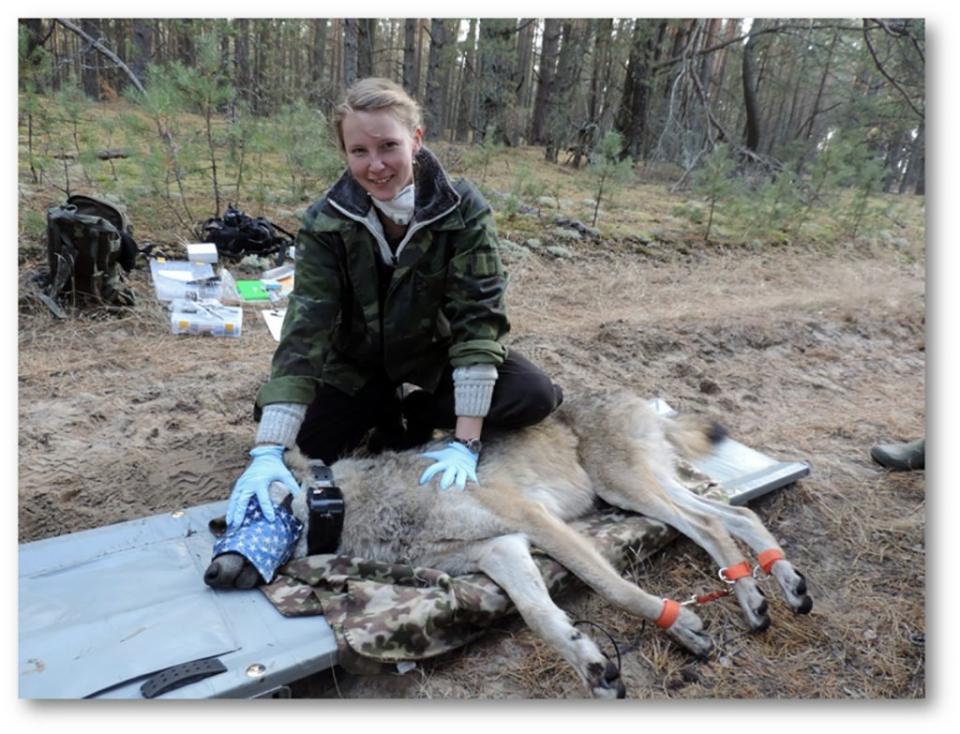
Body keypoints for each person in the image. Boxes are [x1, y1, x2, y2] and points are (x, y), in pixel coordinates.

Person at [225, 77, 563, 529]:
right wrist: (268, 449)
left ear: (416, 140)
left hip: (433, 357)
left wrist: (466, 442)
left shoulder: (461, 208)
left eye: (388, 146)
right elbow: (307, 328)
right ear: (344, 153)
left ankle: (417, 411)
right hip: (355, 365)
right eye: (359, 151)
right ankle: (378, 407)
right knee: (295, 442)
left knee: (533, 396)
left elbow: (478, 319)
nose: (376, 165)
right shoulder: (326, 220)